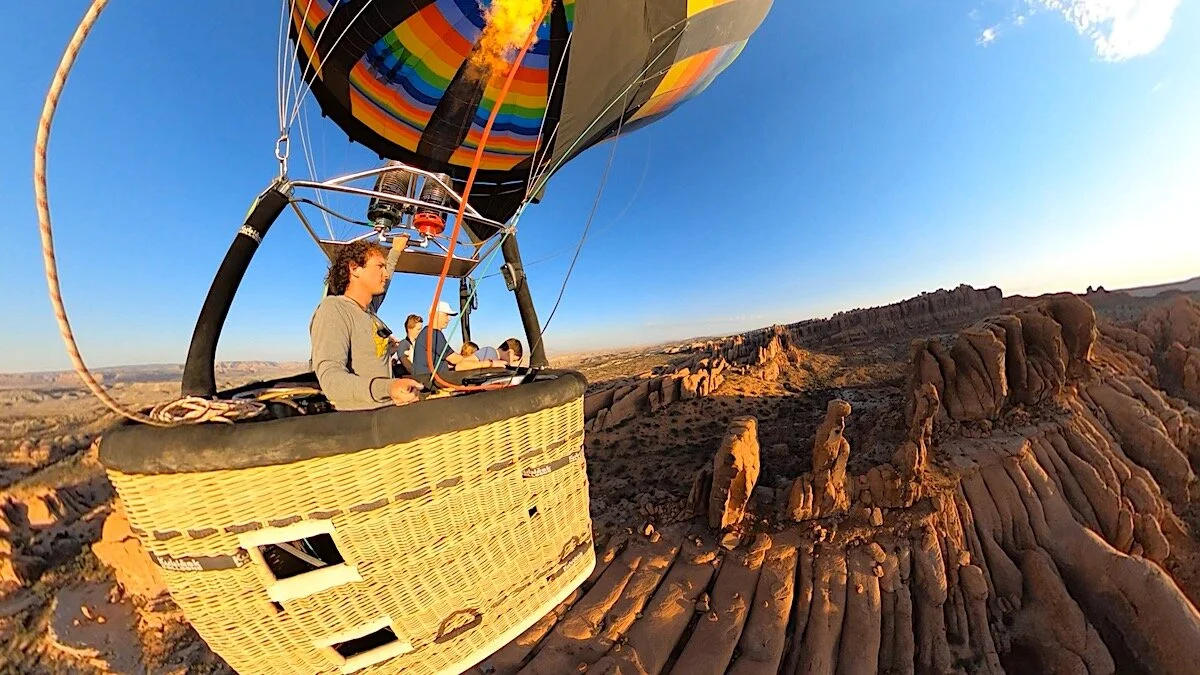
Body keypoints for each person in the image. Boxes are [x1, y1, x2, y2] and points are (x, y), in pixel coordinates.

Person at [310, 240, 423, 410]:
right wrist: (388, 387)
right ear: (354, 268)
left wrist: (396, 250)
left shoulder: (368, 311)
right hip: (361, 421)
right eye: (379, 267)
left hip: (387, 409)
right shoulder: (334, 309)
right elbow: (331, 380)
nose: (385, 274)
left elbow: (388, 279)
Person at [412, 301, 505, 375]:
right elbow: (456, 360)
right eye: (446, 315)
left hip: (427, 379)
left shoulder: (428, 333)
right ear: (435, 314)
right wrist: (488, 363)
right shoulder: (433, 334)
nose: (449, 319)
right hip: (430, 383)